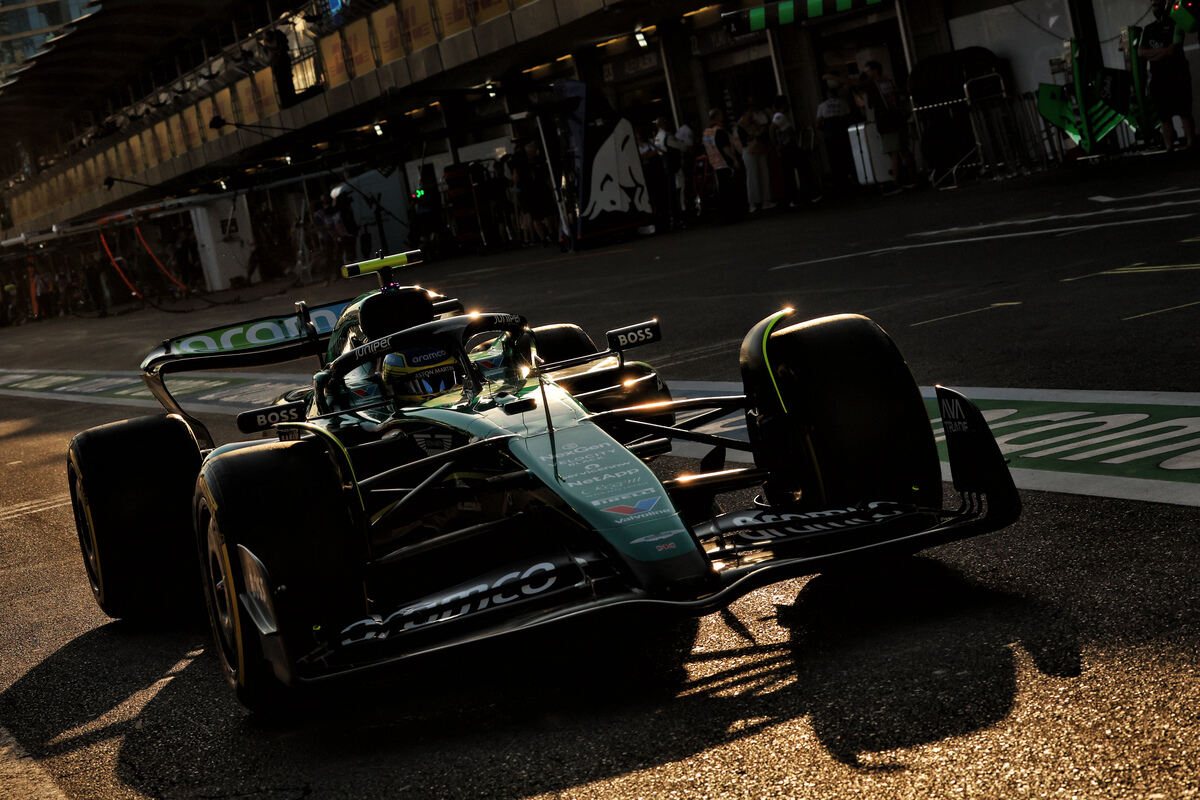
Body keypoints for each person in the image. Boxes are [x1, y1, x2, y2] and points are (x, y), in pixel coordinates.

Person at [1139, 0, 1195, 152]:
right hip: (1159, 78)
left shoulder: (1176, 24)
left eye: (1157, 4)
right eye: (1153, 5)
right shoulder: (1148, 29)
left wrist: (1155, 54)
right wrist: (1163, 52)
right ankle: (1169, 147)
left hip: (1177, 75)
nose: (1155, 8)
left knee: (1184, 111)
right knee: (1164, 116)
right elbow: (1141, 52)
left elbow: (1173, 49)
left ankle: (1191, 144)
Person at [816, 82, 858, 193]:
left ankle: (839, 182)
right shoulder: (843, 103)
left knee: (834, 158)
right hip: (842, 132)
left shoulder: (822, 106)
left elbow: (818, 123)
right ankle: (851, 178)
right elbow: (848, 117)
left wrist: (824, 129)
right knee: (846, 155)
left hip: (830, 134)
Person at [702, 108, 741, 221]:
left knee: (722, 190)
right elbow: (725, 148)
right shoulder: (719, 131)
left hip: (715, 163)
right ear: (717, 116)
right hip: (724, 163)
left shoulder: (706, 132)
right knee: (730, 190)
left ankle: (725, 214)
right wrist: (734, 160)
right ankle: (732, 214)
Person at [738, 97, 774, 212]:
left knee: (764, 174)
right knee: (752, 177)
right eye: (750, 112)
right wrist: (758, 133)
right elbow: (744, 140)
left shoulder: (754, 122)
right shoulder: (740, 126)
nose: (752, 114)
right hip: (750, 150)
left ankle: (765, 200)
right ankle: (753, 203)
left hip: (759, 149)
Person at [654, 116, 686, 230]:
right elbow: (682, 146)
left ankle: (674, 218)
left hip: (667, 169)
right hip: (674, 168)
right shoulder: (667, 136)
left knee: (671, 194)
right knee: (679, 192)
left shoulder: (657, 137)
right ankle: (681, 217)